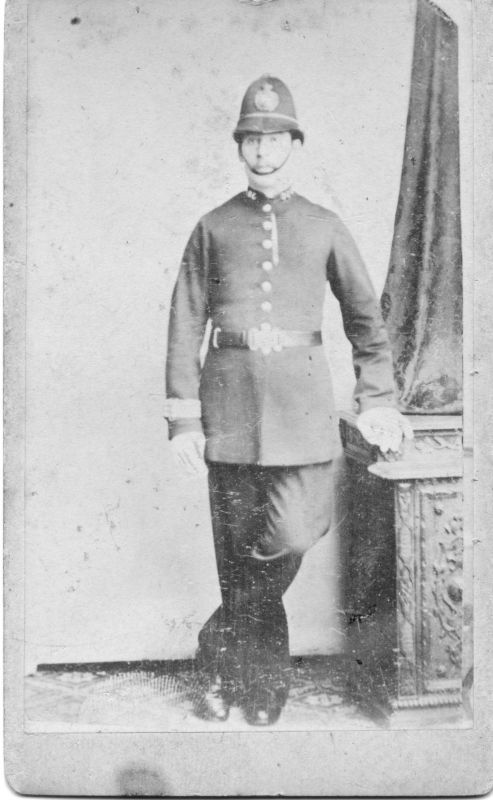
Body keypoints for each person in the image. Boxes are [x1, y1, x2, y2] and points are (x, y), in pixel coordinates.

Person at [164, 75, 412, 726]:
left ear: (294, 144)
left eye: (274, 139)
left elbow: (366, 320)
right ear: (239, 146)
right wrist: (184, 419)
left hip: (303, 414)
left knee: (290, 535)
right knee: (234, 550)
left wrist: (378, 396)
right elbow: (185, 320)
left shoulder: (324, 225)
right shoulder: (212, 227)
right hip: (228, 410)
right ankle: (258, 685)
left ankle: (216, 646)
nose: (262, 151)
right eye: (251, 138)